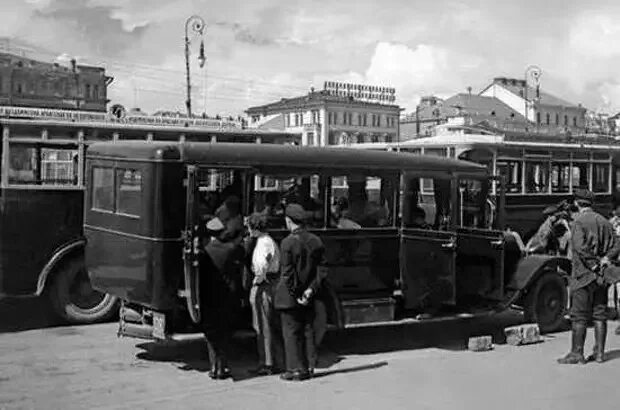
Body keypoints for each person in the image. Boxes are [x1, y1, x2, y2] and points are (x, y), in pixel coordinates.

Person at [557, 189, 620, 364]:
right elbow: (617, 244)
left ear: (577, 203)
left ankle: (577, 353)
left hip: (582, 275)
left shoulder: (578, 222)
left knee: (579, 316)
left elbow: (579, 247)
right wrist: (606, 259)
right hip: (602, 277)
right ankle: (600, 353)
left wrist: (592, 264)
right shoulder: (605, 222)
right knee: (600, 314)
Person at [274, 204, 328, 381]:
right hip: (309, 294)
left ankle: (295, 369)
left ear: (289, 221)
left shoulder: (287, 242)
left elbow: (288, 274)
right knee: (307, 330)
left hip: (290, 296)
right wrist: (309, 290)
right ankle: (309, 366)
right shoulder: (316, 241)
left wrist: (297, 293)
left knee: (291, 332)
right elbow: (321, 270)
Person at [200, 217, 245, 379]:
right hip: (226, 297)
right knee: (224, 333)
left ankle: (214, 367)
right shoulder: (230, 249)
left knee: (211, 334)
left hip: (209, 297)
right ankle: (223, 366)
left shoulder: (204, 252)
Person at [247, 213, 284, 375]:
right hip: (269, 283)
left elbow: (262, 265)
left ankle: (267, 362)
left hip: (264, 285)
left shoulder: (264, 244)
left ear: (255, 228)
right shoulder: (265, 241)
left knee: (262, 325)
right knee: (266, 323)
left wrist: (257, 279)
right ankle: (271, 360)